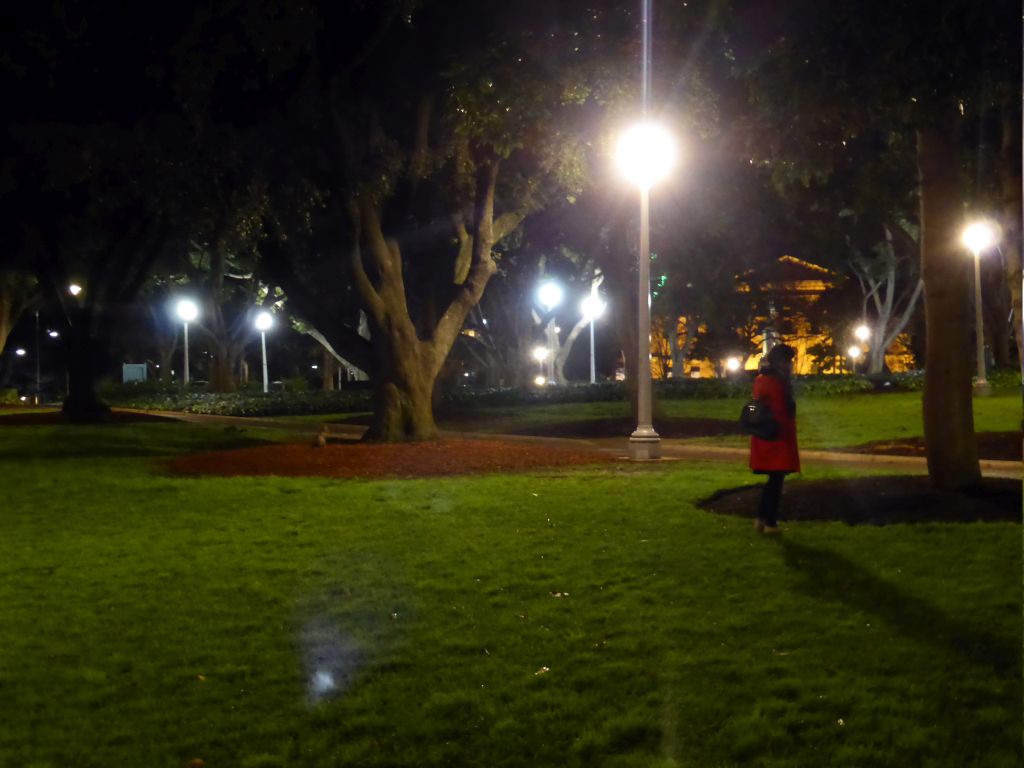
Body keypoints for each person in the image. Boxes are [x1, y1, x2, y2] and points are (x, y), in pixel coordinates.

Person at [749, 343, 800, 534]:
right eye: (788, 360)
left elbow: (756, 404)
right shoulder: (778, 381)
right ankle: (770, 522)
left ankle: (762, 519)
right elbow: (784, 408)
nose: (790, 364)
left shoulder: (761, 379)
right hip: (778, 437)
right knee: (776, 482)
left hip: (767, 436)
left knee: (773, 481)